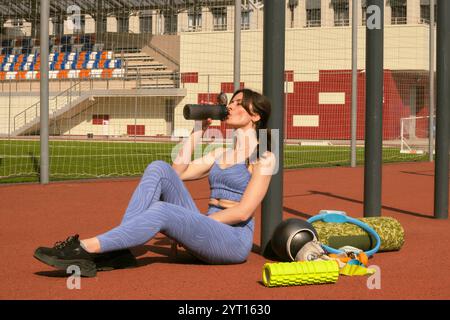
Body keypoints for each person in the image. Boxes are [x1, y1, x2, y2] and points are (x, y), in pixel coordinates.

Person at [34, 88, 276, 277]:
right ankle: (120, 251)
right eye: (230, 103)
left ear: (255, 115)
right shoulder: (219, 152)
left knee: (162, 210)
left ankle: (86, 248)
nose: (230, 107)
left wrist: (192, 222)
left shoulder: (264, 156)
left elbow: (243, 212)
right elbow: (177, 172)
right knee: (158, 167)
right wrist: (196, 134)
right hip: (206, 229)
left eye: (238, 103)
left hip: (231, 241)